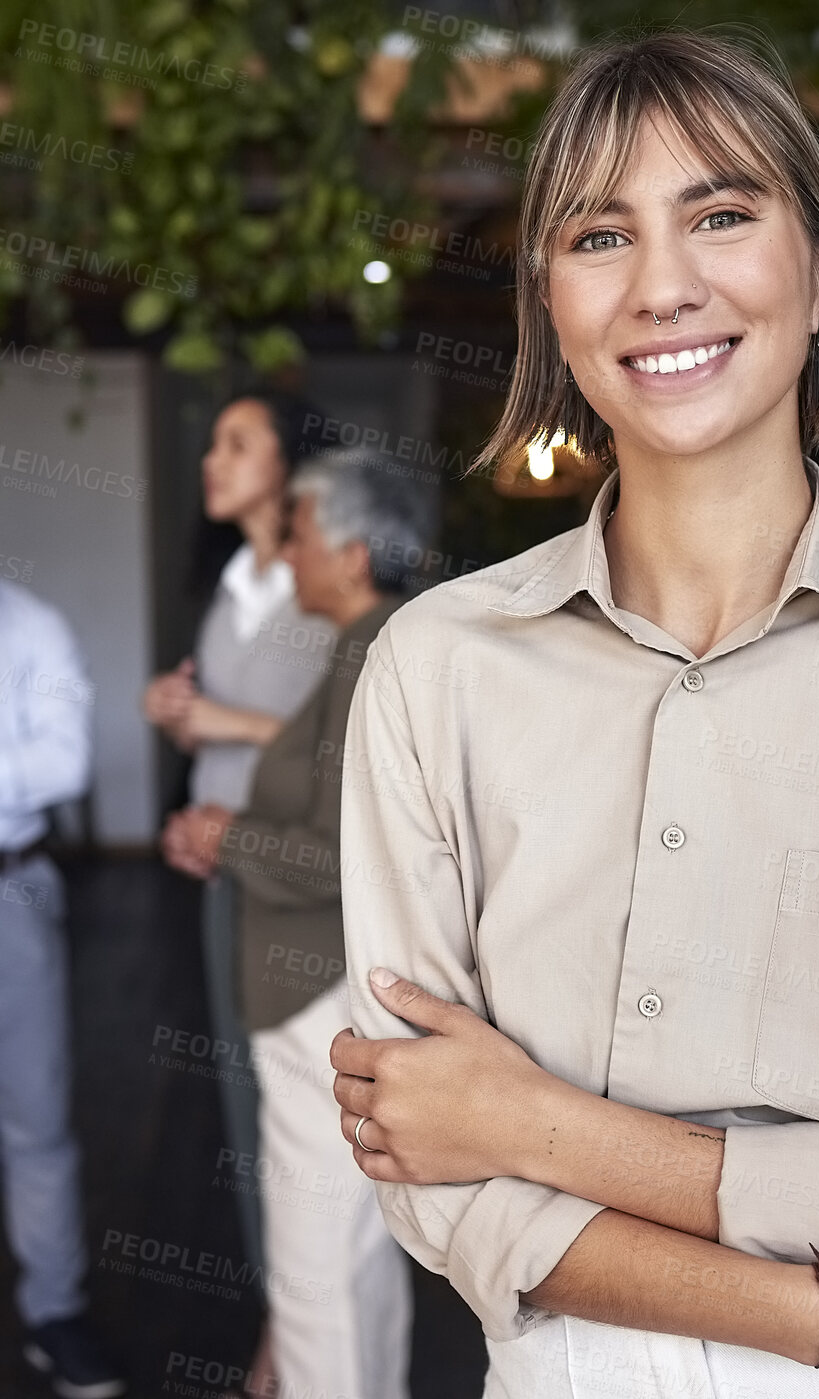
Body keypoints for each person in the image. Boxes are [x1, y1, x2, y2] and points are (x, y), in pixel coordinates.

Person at [332, 28, 819, 1399]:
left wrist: (538, 1124)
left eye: (723, 215)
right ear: (551, 306)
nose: (664, 286)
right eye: (598, 235)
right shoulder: (436, 667)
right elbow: (433, 1175)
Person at [162, 450, 428, 1399]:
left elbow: (334, 855)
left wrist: (227, 834)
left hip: (317, 992)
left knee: (317, 1269)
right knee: (356, 1252)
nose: (289, 547)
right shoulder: (373, 647)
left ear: (353, 553)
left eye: (303, 532)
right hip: (336, 993)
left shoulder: (367, 655)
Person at [143, 388, 335, 1311]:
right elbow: (232, 736)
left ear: (288, 464)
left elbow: (345, 739)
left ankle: (303, 1320)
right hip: (222, 870)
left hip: (300, 881)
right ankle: (278, 1314)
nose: (212, 461)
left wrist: (224, 718)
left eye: (235, 443)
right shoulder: (230, 588)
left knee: (302, 1106)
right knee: (237, 1096)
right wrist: (184, 721)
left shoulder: (331, 584)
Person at [1, 580, 126, 1397]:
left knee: (35, 1118)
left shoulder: (33, 624)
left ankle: (54, 1310)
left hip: (10, 888)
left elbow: (66, 760)